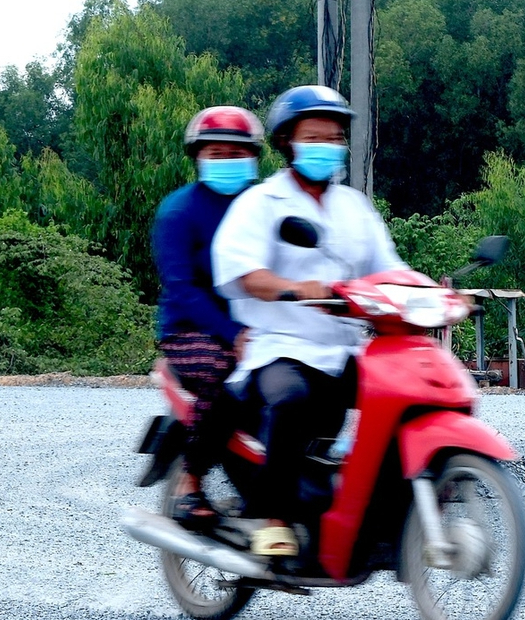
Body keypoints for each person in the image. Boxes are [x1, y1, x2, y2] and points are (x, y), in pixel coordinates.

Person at [212, 85, 403, 561]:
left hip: (343, 348)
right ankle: (271, 519)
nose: (327, 145)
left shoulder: (353, 207)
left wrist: (436, 292)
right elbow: (242, 271)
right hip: (279, 347)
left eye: (334, 137)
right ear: (287, 143)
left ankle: (384, 513)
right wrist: (297, 289)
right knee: (291, 400)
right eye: (314, 136)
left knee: (403, 396)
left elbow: (388, 268)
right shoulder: (261, 203)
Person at [152, 106, 265, 530]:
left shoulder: (263, 206)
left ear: (253, 157)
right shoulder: (178, 212)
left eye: (236, 152)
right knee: (225, 371)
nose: (226, 160)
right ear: (198, 157)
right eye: (215, 153)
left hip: (257, 326)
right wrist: (233, 333)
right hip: (190, 331)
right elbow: (182, 288)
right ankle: (190, 481)